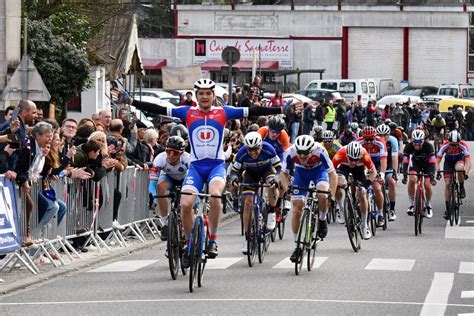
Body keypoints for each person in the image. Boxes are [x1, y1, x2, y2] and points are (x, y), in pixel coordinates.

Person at [118, 78, 282, 266]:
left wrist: (279, 110)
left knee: (214, 195)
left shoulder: (223, 112)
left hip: (216, 166)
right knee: (185, 204)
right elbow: (158, 109)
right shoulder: (188, 112)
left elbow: (253, 110)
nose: (205, 97)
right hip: (196, 167)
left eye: (208, 94)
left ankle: (212, 240)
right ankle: (189, 245)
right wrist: (132, 102)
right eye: (201, 94)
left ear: (213, 96)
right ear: (196, 96)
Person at [280, 135, 337, 262]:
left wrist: (331, 196)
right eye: (300, 154)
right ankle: (297, 246)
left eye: (305, 154)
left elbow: (333, 175)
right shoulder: (290, 152)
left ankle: (322, 220)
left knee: (322, 194)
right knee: (296, 209)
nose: (302, 157)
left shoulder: (320, 150)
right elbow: (283, 174)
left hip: (319, 171)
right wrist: (287, 188)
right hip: (301, 174)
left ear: (311, 150)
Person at [229, 132, 281, 254]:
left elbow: (279, 168)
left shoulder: (269, 149)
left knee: (272, 184)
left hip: (266, 170)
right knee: (248, 202)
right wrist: (234, 179)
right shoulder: (241, 153)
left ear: (260, 146)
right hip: (250, 173)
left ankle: (272, 211)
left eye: (255, 150)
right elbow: (234, 172)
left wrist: (276, 179)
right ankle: (248, 238)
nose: (253, 153)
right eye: (250, 150)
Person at [333, 141, 378, 239]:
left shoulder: (364, 154)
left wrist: (366, 185)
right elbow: (331, 171)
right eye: (351, 159)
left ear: (360, 157)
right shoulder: (341, 153)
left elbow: (374, 172)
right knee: (338, 183)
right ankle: (341, 209)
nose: (353, 162)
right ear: (347, 155)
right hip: (344, 167)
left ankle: (364, 225)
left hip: (359, 170)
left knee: (362, 193)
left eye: (356, 159)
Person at [150, 136, 190, 241]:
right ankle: (165, 223)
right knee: (160, 187)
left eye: (175, 153)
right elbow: (152, 182)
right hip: (169, 178)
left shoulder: (188, 159)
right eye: (168, 151)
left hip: (185, 179)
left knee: (188, 198)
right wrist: (153, 197)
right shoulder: (160, 158)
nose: (171, 155)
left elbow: (194, 179)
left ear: (181, 153)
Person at [356, 126, 387, 227]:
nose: (369, 142)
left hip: (377, 163)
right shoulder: (358, 143)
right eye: (366, 139)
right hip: (363, 163)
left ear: (375, 137)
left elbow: (383, 161)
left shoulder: (380, 142)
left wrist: (381, 174)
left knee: (377, 188)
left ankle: (380, 213)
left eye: (371, 139)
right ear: (363, 138)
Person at [435, 130, 471, 219]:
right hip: (448, 162)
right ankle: (448, 209)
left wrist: (466, 172)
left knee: (459, 169)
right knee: (447, 184)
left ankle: (461, 187)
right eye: (452, 145)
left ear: (459, 142)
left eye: (456, 145)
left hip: (459, 159)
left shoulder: (463, 145)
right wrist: (438, 170)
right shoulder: (444, 145)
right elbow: (437, 160)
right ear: (449, 142)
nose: (454, 147)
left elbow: (468, 161)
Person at [401, 130, 437, 218]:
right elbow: (405, 162)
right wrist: (405, 175)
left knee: (427, 185)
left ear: (423, 141)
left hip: (427, 165)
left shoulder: (429, 147)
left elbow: (432, 163)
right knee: (412, 179)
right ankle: (412, 204)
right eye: (415, 142)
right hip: (416, 163)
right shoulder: (409, 146)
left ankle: (428, 205)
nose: (417, 144)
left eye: (419, 142)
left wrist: (432, 176)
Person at [376, 124, 399, 221]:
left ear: (388, 135)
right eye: (380, 135)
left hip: (388, 164)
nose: (382, 137)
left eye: (385, 135)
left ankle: (392, 209)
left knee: (392, 183)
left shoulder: (393, 141)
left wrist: (395, 172)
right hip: (376, 164)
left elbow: (394, 158)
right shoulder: (375, 141)